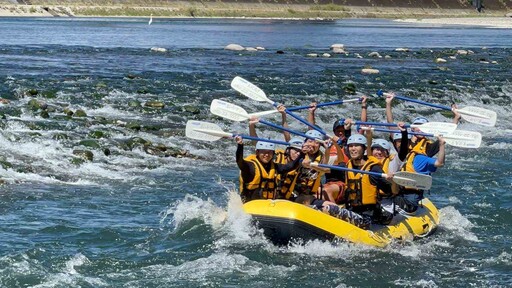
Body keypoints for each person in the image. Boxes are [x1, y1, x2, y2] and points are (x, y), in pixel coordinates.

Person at [341, 134, 395, 228]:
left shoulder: (374, 169)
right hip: (352, 209)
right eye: (350, 146)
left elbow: (391, 191)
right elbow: (325, 170)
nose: (353, 149)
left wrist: (392, 181)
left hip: (369, 214)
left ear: (364, 149)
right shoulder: (347, 166)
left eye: (357, 145)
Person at [236, 137, 303, 203]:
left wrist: (302, 153)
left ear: (273, 154)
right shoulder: (250, 167)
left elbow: (291, 166)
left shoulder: (275, 167)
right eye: (263, 152)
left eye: (269, 152)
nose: (267, 155)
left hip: (268, 206)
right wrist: (240, 145)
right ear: (257, 152)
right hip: (250, 205)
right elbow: (240, 161)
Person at [395, 135, 446, 213]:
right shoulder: (394, 156)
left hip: (410, 198)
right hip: (398, 192)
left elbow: (440, 163)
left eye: (402, 142)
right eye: (398, 142)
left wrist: (442, 145)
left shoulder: (419, 158)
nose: (399, 145)